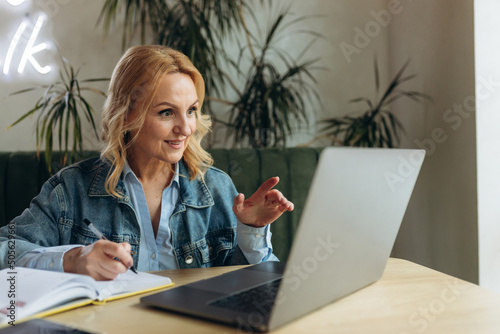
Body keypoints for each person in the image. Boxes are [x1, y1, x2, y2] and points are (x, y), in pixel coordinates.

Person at [0, 45, 293, 281]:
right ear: (126, 115)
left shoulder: (216, 187)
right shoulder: (70, 189)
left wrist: (251, 231)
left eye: (191, 111)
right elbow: (6, 249)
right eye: (167, 113)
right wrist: (71, 260)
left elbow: (256, 288)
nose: (185, 128)